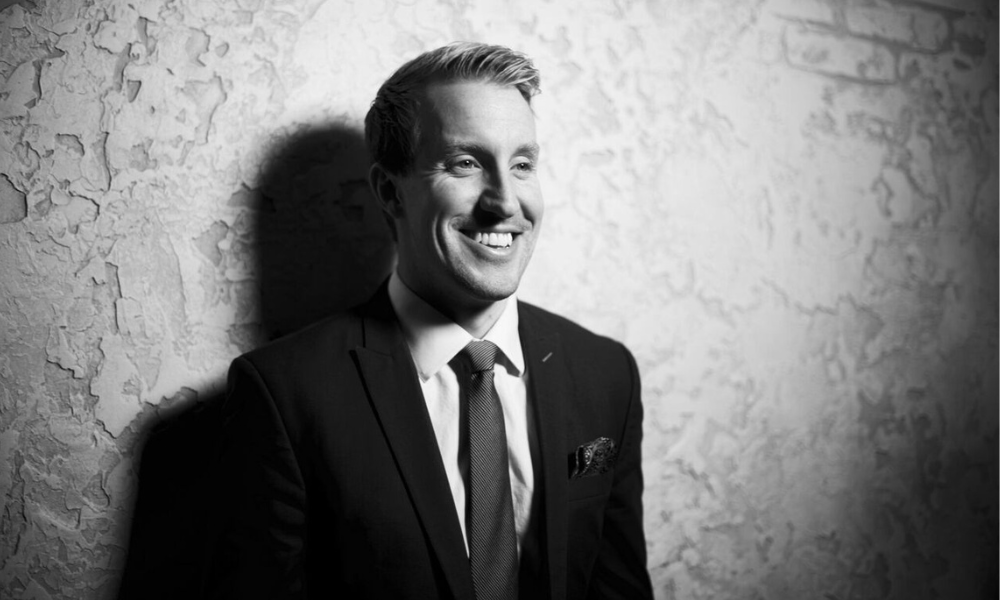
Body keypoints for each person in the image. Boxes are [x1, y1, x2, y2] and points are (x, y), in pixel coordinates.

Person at [208, 42, 653, 600]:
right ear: (390, 192)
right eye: (466, 163)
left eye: (522, 165)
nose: (505, 202)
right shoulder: (284, 394)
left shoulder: (606, 372)